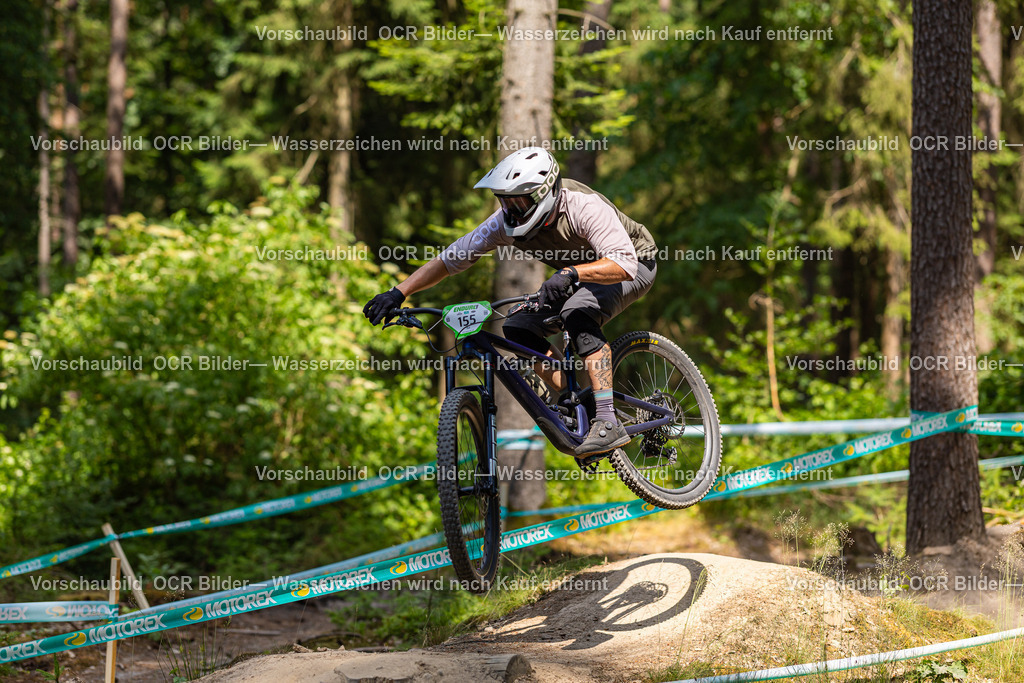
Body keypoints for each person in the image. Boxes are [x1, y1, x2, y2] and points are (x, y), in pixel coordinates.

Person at [364, 147, 658, 459]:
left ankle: (608, 420)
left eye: (517, 200)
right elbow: (452, 258)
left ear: (543, 193)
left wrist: (571, 273)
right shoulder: (504, 224)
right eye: (504, 200)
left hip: (633, 263)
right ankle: (577, 402)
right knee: (518, 326)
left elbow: (623, 264)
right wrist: (399, 292)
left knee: (578, 314)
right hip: (577, 276)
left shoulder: (582, 207)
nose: (510, 209)